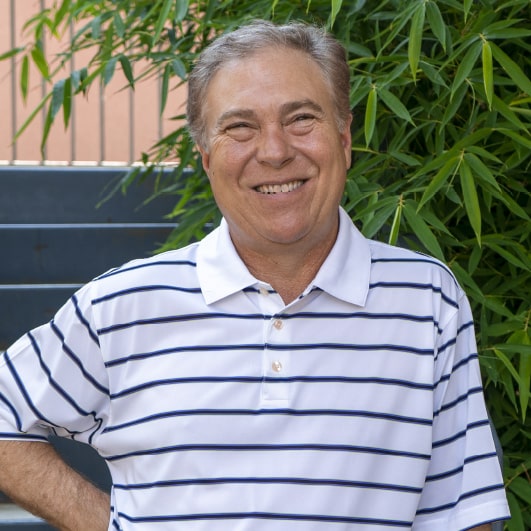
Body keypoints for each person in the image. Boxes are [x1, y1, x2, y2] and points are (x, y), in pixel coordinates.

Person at [0, 20, 510, 531]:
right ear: (205, 157)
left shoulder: (426, 298)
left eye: (301, 118)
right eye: (240, 126)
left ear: (345, 137)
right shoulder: (123, 305)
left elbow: (465, 513)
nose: (274, 151)